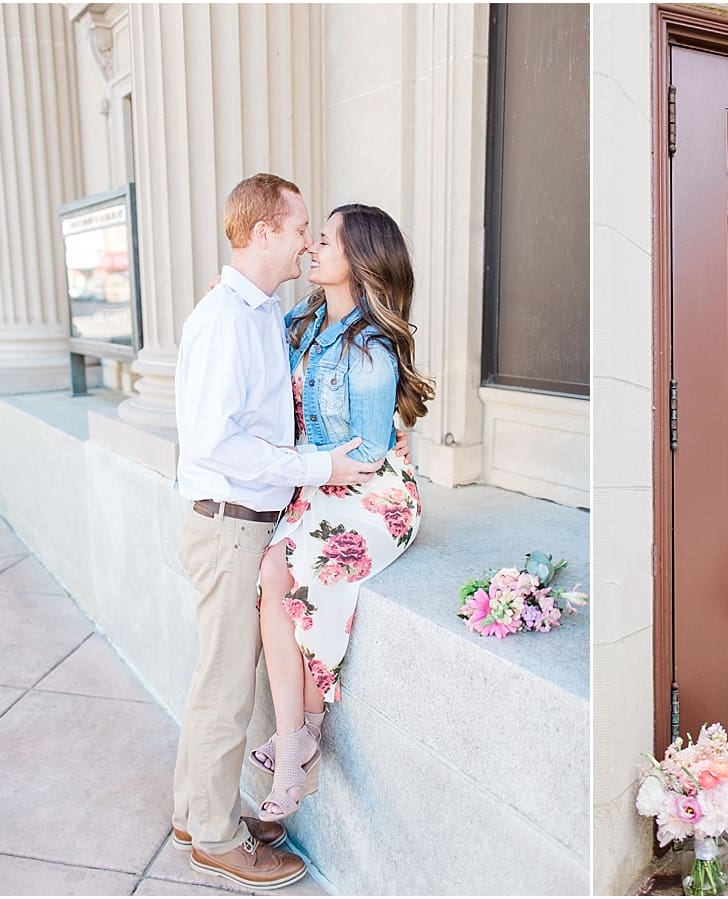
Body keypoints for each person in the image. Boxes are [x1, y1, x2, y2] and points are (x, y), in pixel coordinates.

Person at [172, 174, 385, 890]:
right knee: (225, 689)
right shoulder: (227, 319)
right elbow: (213, 444)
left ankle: (189, 811)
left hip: (254, 521)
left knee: (218, 680)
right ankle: (214, 837)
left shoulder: (260, 309)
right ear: (264, 232)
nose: (307, 241)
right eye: (299, 228)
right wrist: (320, 463)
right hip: (230, 524)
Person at [244, 203, 435, 821]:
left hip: (372, 492)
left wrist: (305, 460)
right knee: (273, 571)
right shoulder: (301, 321)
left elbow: (373, 451)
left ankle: (299, 739)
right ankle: (300, 739)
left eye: (323, 240)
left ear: (356, 261)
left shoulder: (373, 347)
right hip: (321, 479)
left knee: (293, 571)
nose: (311, 248)